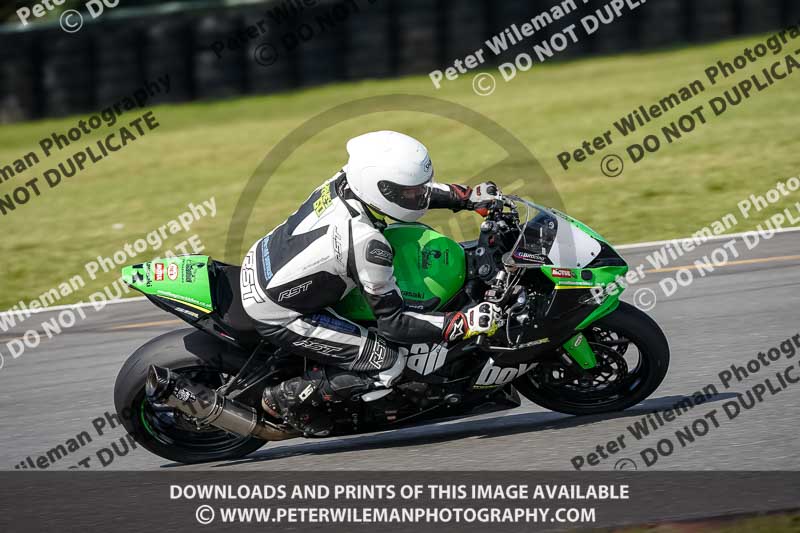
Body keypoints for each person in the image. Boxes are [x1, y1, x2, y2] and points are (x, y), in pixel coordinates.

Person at [240, 130, 503, 436]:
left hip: (264, 260)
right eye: (410, 191)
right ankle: (286, 397)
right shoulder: (366, 242)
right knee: (387, 362)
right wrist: (461, 323)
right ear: (380, 188)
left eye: (419, 188)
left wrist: (464, 197)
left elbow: (409, 194)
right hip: (280, 312)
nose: (419, 195)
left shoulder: (346, 179)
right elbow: (394, 324)